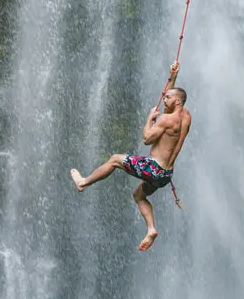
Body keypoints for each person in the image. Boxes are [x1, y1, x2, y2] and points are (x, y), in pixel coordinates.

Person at [70, 61, 192, 251]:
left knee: (115, 159)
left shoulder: (165, 120)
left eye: (167, 97)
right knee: (138, 194)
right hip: (165, 175)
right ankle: (151, 229)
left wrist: (150, 119)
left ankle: (83, 182)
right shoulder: (186, 116)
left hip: (153, 168)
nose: (164, 99)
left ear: (177, 101)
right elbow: (172, 102)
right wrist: (173, 76)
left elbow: (147, 139)